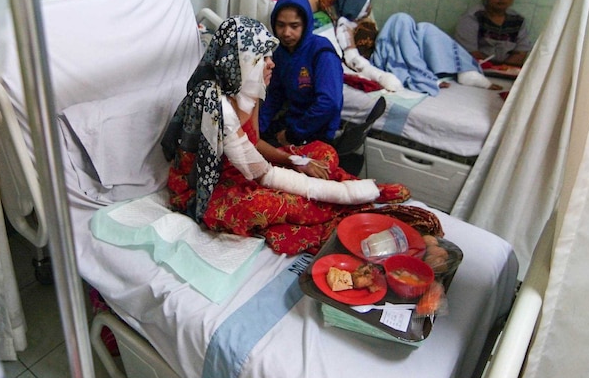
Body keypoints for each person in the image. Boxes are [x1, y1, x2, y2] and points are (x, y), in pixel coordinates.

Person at [160, 16, 426, 256]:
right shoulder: (216, 105)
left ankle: (330, 192)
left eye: (270, 56)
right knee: (267, 204)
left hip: (251, 167)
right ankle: (345, 199)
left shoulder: (249, 93)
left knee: (324, 153)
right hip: (213, 185)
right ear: (240, 61)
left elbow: (256, 145)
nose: (271, 64)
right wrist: (344, 191)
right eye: (262, 58)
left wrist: (296, 162)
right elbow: (261, 173)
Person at [312, 0, 500, 96]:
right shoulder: (345, 26)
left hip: (384, 48)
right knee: (399, 20)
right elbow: (354, 60)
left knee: (426, 29)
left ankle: (465, 70)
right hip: (380, 59)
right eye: (368, 4)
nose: (371, 8)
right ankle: (423, 78)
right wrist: (381, 77)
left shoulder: (361, 20)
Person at [259, 0, 344, 147]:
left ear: (305, 25)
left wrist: (293, 134)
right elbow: (275, 96)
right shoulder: (281, 54)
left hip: (318, 132)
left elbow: (329, 103)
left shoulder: (322, 53)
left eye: (294, 26)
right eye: (281, 25)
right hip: (293, 123)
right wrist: (258, 127)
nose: (286, 33)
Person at [454, 0, 532, 66]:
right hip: (475, 70)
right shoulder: (472, 17)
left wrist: (503, 69)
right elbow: (469, 52)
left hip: (506, 73)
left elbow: (521, 53)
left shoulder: (518, 20)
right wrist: (492, 69)